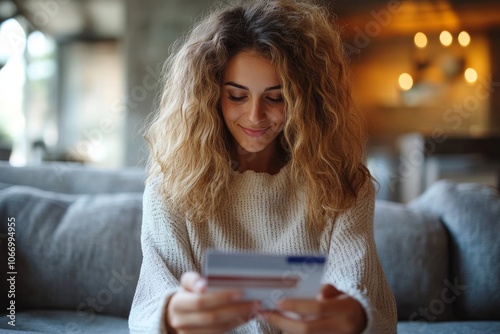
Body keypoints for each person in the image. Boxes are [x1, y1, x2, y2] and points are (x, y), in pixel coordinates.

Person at [129, 0, 397, 333]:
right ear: (210, 95)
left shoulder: (343, 185)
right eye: (237, 96)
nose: (255, 117)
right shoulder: (168, 189)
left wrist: (354, 317)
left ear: (306, 101)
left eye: (276, 97)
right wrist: (170, 315)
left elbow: (359, 291)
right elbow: (149, 304)